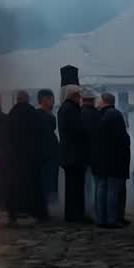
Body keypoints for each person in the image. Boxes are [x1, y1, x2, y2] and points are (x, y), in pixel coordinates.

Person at [7, 90, 48, 223]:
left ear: (18, 99)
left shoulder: (11, 114)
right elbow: (40, 133)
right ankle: (37, 212)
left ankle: (14, 212)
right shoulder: (32, 113)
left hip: (14, 157)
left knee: (15, 185)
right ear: (27, 99)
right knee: (34, 184)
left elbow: (6, 135)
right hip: (31, 157)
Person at [94, 92, 129, 228]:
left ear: (104, 101)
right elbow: (123, 139)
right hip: (115, 159)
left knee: (102, 189)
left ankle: (102, 219)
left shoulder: (100, 115)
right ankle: (112, 219)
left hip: (101, 159)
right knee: (112, 190)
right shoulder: (116, 115)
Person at [57, 84, 89, 223]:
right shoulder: (72, 110)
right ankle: (77, 214)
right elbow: (77, 130)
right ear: (75, 96)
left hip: (67, 153)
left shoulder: (63, 109)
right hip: (75, 154)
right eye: (79, 96)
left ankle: (71, 214)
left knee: (71, 187)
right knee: (76, 187)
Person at [37, 89, 61, 211]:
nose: (53, 102)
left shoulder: (47, 115)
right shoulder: (40, 115)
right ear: (44, 100)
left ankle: (51, 206)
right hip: (46, 155)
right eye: (51, 99)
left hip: (50, 154)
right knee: (47, 182)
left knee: (51, 181)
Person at [80, 91, 101, 219]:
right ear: (92, 100)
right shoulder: (97, 114)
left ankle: (86, 208)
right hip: (96, 154)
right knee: (97, 183)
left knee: (85, 184)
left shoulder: (78, 114)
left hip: (82, 154)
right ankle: (96, 208)